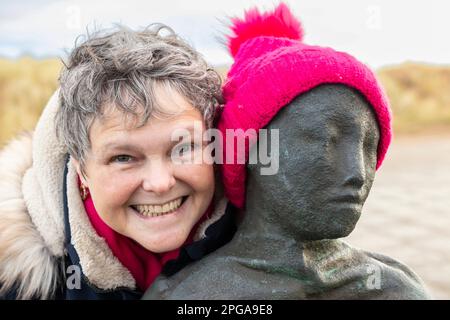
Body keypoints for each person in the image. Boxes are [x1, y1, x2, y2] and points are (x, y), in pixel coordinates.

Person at [143, 3, 431, 299]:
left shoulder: (394, 289)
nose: (357, 172)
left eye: (369, 146)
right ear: (254, 151)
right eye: (325, 140)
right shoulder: (187, 297)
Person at [0, 24, 236, 300]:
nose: (160, 183)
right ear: (82, 171)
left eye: (183, 148)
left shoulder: (271, 242)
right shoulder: (18, 281)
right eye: (123, 157)